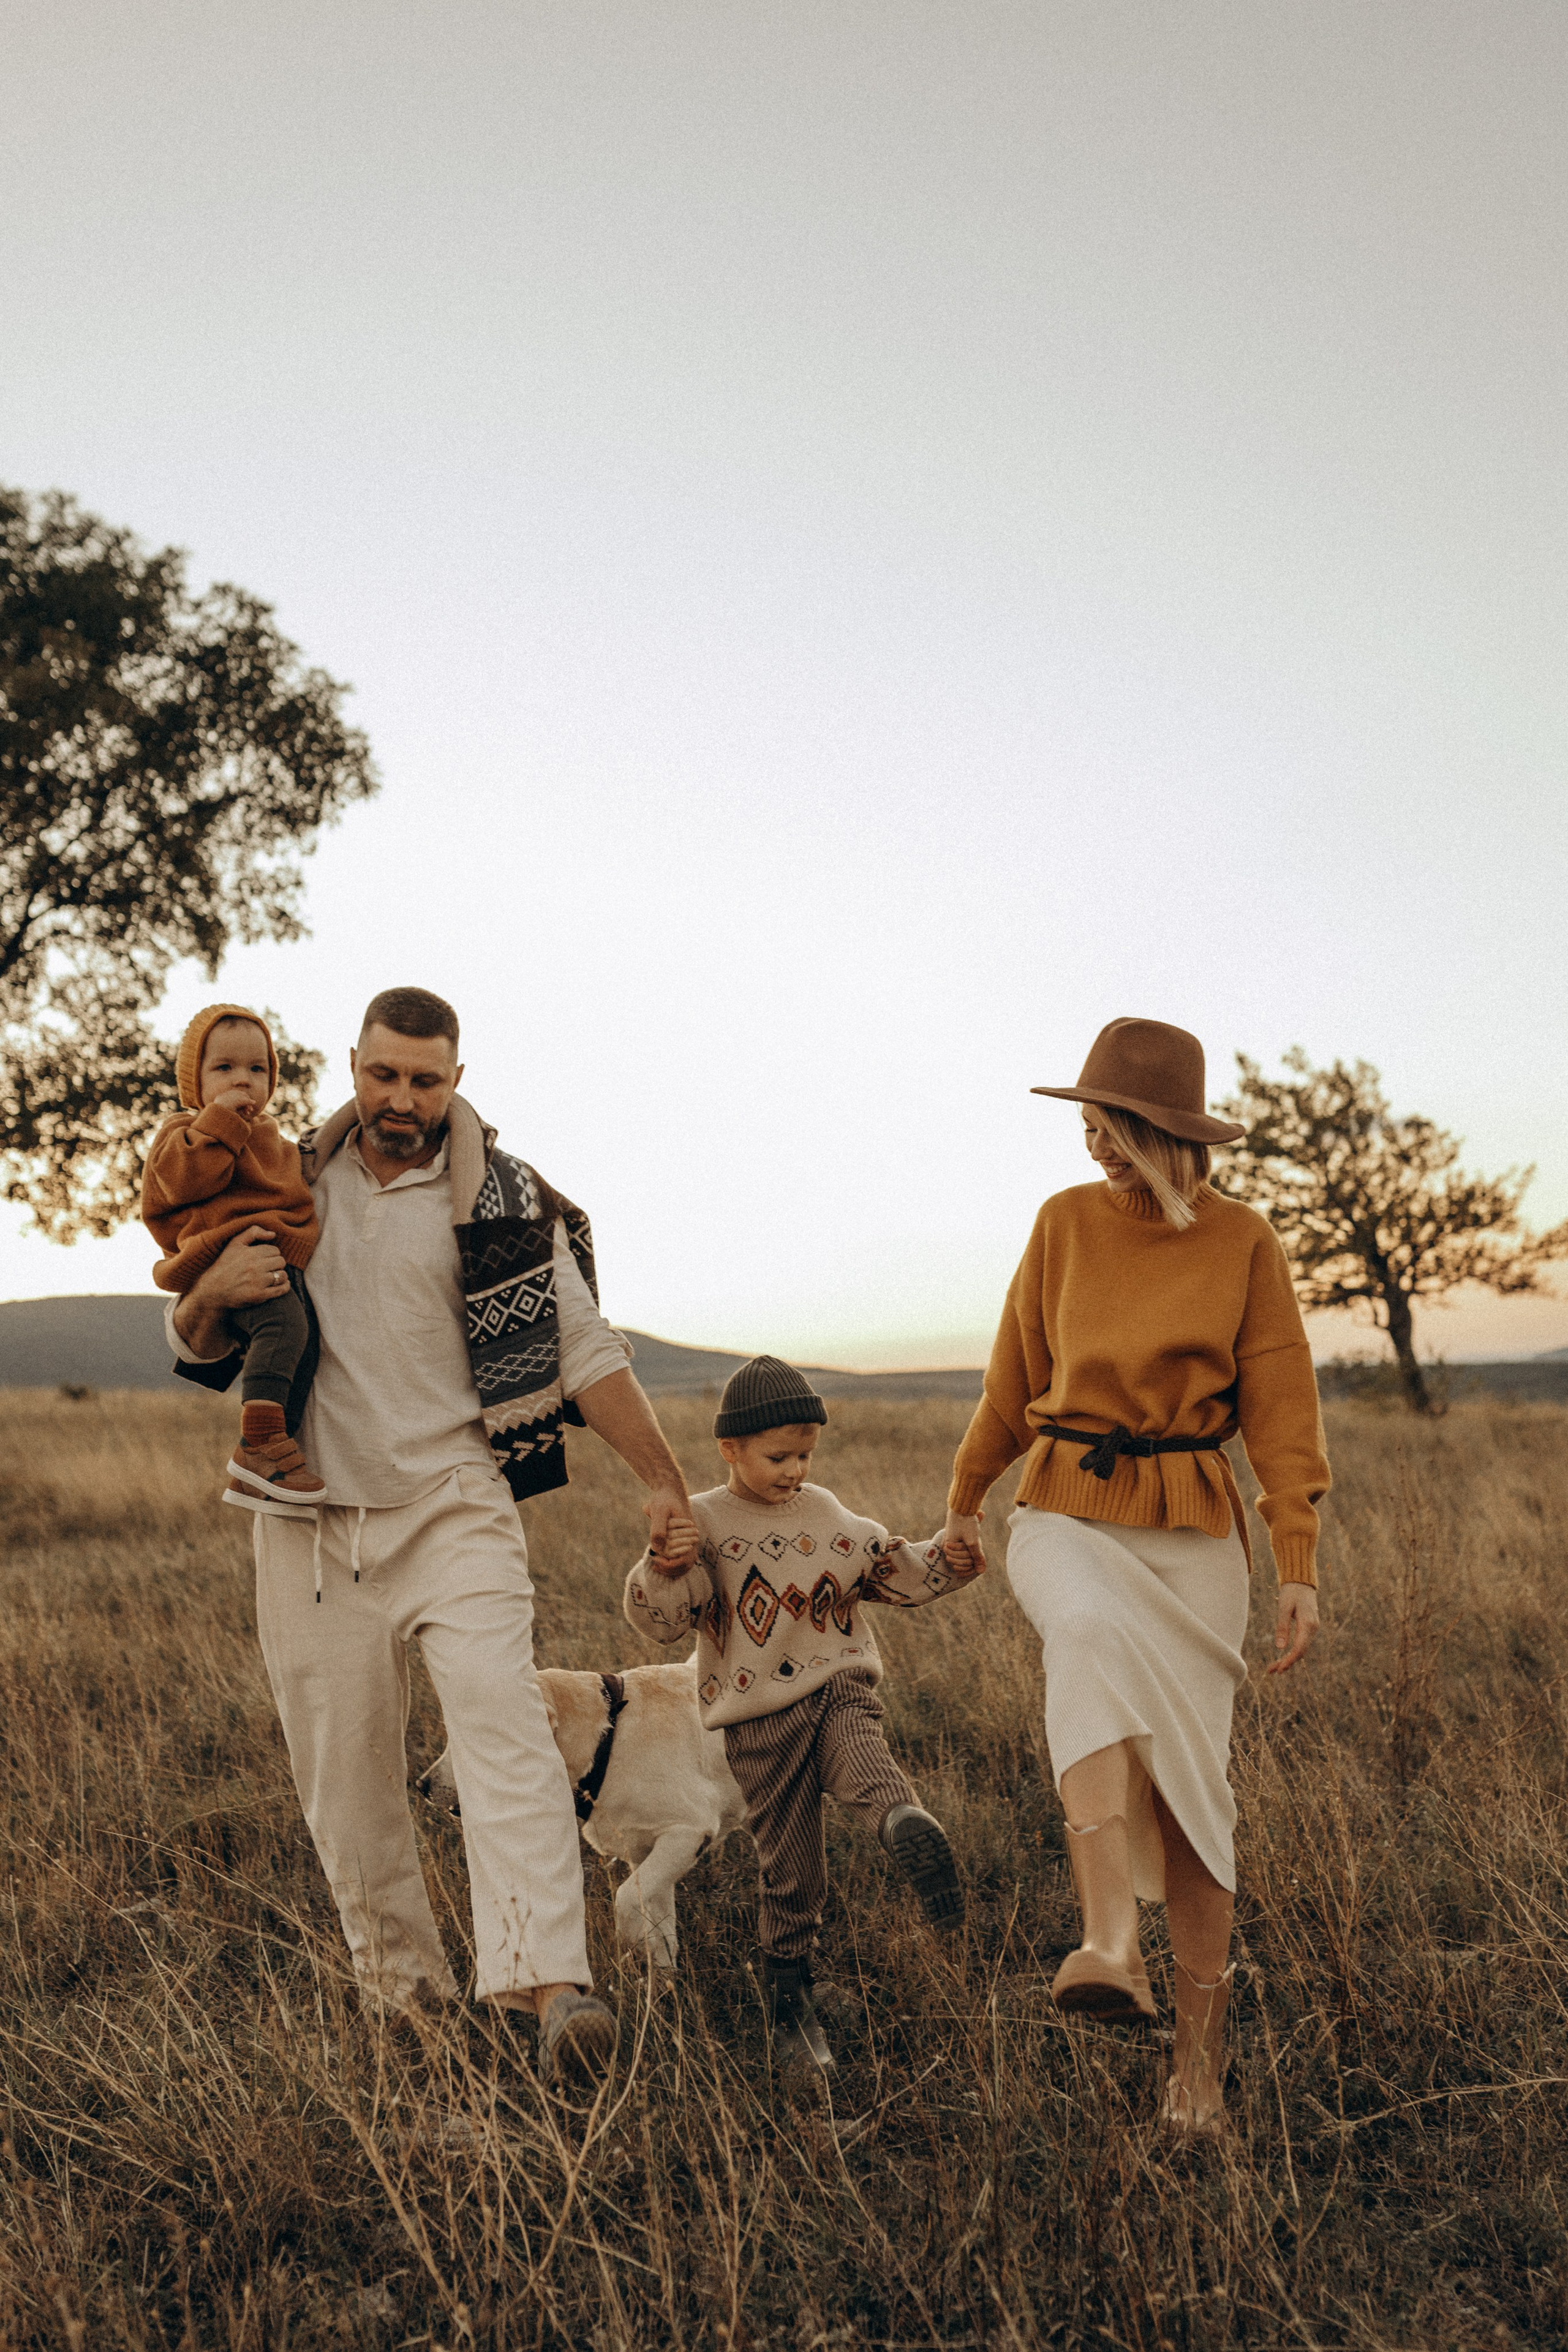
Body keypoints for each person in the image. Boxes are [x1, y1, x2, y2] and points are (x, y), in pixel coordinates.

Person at [166, 985, 693, 2089]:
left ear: (456, 1081)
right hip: (311, 1523)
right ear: (352, 1066)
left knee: (505, 1727)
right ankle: (407, 2005)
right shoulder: (287, 1176)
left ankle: (554, 1989)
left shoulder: (505, 1200)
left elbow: (585, 1348)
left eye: (424, 1080)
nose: (401, 1100)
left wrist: (661, 1481)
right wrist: (208, 1291)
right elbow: (200, 1332)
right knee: (346, 1776)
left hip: (458, 1504)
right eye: (383, 1076)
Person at [941, 1018, 1329, 2139]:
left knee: (1197, 1796)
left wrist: (1296, 1558)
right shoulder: (1063, 1223)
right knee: (1087, 1636)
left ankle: (1197, 2072)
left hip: (1195, 1535)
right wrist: (967, 1494)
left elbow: (1283, 1406)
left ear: (1162, 1131)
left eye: (1108, 1125)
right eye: (1087, 1124)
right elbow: (1012, 1376)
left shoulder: (1245, 1242)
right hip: (1065, 1507)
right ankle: (1109, 1939)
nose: (1092, 1144)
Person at [626, 1354, 982, 2070]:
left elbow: (891, 1568)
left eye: (805, 1455)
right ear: (730, 1448)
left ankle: (903, 1825)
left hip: (839, 1686)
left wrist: (949, 1561)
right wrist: (664, 1567)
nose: (794, 1470)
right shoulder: (702, 1522)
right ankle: (791, 2001)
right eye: (778, 1457)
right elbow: (662, 1622)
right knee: (793, 1871)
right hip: (758, 1721)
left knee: (864, 1760)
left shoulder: (824, 1513)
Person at [141, 1003, 326, 1510]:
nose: (242, 1080)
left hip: (274, 1257)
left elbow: (292, 1199)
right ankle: (258, 1446)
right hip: (226, 1254)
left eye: (257, 1069)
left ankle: (271, 1458)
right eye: (224, 1068)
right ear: (195, 1082)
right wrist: (220, 1123)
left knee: (301, 1346)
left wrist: (297, 1245)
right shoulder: (185, 1133)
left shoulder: (275, 1141)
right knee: (284, 1329)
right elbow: (181, 1183)